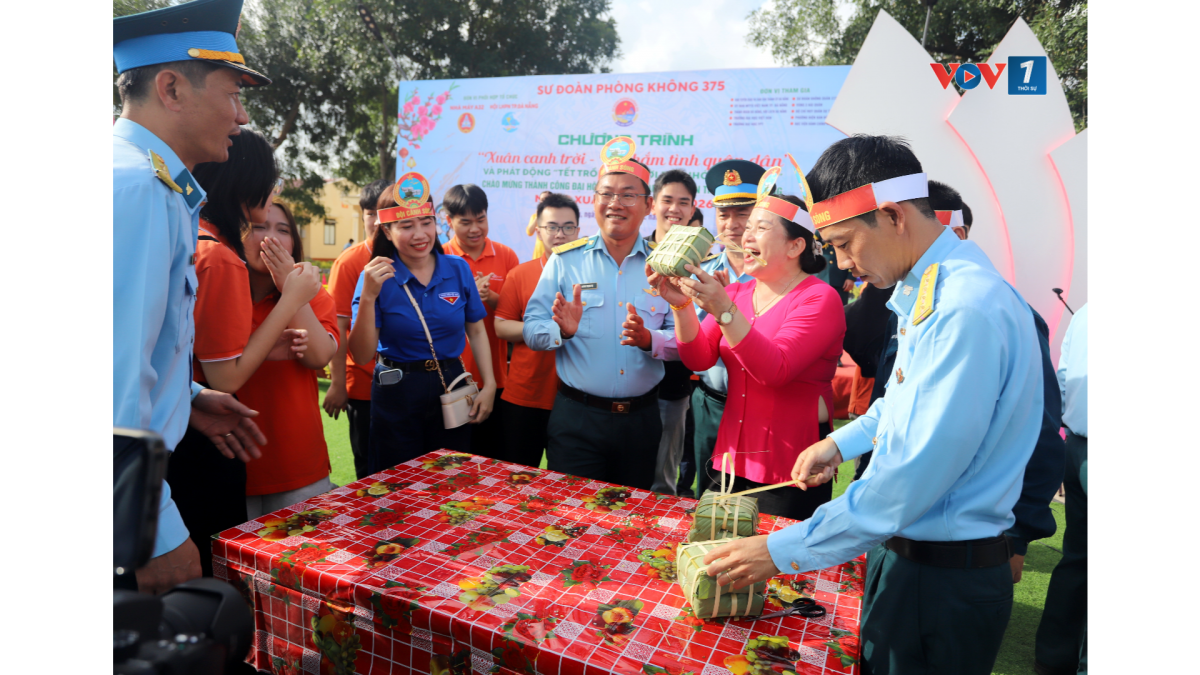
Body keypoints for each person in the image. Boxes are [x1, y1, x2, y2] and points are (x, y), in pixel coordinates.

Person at [702, 136, 1044, 675]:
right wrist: (840, 442)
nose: (841, 263)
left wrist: (777, 551)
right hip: (908, 555)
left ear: (891, 215)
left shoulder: (962, 310)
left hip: (941, 575)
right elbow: (901, 402)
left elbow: (911, 477)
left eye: (842, 243)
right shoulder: (929, 292)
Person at [112, 0, 271, 593]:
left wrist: (188, 396)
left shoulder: (154, 183)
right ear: (173, 88)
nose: (241, 113)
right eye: (233, 93)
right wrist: (150, 533)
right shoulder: (137, 189)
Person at [179, 128, 322, 576]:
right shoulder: (219, 258)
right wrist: (292, 298)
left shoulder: (186, 235)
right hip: (204, 445)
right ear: (248, 186)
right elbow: (227, 378)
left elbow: (320, 354)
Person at [658, 190, 844, 520]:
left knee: (779, 569)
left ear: (795, 246)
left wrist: (724, 310)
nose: (746, 235)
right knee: (714, 555)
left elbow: (776, 369)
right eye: (748, 229)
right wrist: (681, 304)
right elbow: (698, 359)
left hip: (791, 468)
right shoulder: (736, 292)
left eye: (760, 228)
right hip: (729, 460)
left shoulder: (819, 298)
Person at [523, 137, 678, 490]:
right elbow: (532, 329)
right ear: (593, 201)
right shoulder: (565, 260)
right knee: (570, 523)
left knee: (629, 524)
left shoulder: (666, 264)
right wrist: (561, 331)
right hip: (578, 420)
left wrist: (650, 339)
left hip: (640, 421)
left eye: (627, 194)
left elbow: (687, 338)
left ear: (648, 204)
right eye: (605, 194)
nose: (615, 203)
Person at [349, 174, 496, 472]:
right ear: (387, 232)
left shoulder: (457, 269)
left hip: (451, 382)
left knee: (451, 478)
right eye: (406, 226)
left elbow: (477, 330)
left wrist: (490, 384)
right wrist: (368, 297)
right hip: (396, 386)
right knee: (395, 482)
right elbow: (362, 354)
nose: (420, 234)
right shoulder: (373, 277)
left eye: (425, 223)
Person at [240, 201, 340, 518]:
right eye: (259, 227)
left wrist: (290, 289)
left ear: (294, 243)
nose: (271, 239)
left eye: (283, 231)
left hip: (298, 465)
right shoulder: (221, 284)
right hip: (229, 464)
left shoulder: (314, 293)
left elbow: (319, 355)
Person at [494, 193, 581, 467]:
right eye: (552, 227)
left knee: (569, 483)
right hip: (525, 395)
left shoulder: (591, 273)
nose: (560, 234)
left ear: (578, 231)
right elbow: (501, 326)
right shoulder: (520, 274)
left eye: (568, 227)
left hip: (576, 398)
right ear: (539, 231)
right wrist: (547, 330)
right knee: (517, 480)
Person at [691, 160, 762, 497]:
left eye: (742, 213)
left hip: (762, 406)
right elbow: (690, 342)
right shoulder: (699, 271)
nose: (732, 224)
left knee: (758, 501)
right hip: (711, 404)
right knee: (707, 498)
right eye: (723, 214)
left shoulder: (776, 275)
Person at [442, 185, 520, 459]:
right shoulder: (439, 258)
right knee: (452, 461)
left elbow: (515, 314)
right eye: (465, 222)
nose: (475, 228)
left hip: (495, 381)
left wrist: (490, 297)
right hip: (449, 381)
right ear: (448, 220)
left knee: (492, 460)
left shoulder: (506, 256)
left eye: (481, 219)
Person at [324, 178, 390, 480]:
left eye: (384, 213)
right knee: (368, 466)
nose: (376, 222)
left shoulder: (410, 258)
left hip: (404, 384)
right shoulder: (349, 262)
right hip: (363, 383)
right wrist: (338, 384)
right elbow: (337, 325)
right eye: (370, 214)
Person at [1035, 302, 1088, 675]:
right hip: (1077, 441)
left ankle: (1054, 657)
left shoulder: (1085, 312)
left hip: (1077, 445)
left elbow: (1064, 376)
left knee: (1077, 556)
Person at [646, 169, 699, 495]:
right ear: (652, 204)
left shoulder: (701, 262)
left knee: (663, 479)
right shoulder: (633, 253)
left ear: (693, 209)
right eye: (667, 200)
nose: (674, 209)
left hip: (672, 387)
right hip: (624, 390)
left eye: (684, 202)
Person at [525, 190, 553, 259]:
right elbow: (529, 232)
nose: (543, 201)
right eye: (541, 199)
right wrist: (538, 217)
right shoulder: (534, 216)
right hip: (539, 253)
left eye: (546, 199)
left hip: (552, 252)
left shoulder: (556, 216)